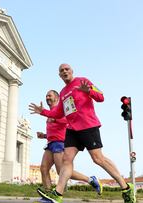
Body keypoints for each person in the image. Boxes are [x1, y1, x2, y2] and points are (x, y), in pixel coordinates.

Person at [29, 64, 136, 203]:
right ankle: (58, 194)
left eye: (67, 69)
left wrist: (89, 91)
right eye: (61, 70)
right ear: (59, 75)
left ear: (72, 71)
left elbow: (101, 97)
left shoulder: (82, 81)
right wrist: (42, 111)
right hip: (72, 129)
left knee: (98, 159)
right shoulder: (63, 92)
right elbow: (59, 112)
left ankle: (126, 187)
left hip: (88, 125)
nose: (64, 71)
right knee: (67, 160)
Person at [36, 90, 102, 198]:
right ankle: (48, 195)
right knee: (43, 168)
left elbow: (68, 121)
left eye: (49, 95)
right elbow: (54, 132)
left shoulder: (61, 110)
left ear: (57, 98)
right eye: (46, 96)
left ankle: (90, 180)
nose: (47, 97)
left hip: (60, 143)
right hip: (51, 143)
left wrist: (56, 120)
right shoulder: (50, 113)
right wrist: (44, 135)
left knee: (61, 171)